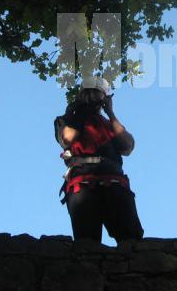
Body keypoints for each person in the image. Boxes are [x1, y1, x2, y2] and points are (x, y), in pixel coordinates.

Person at [54, 76, 143, 243]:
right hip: (82, 185)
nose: (93, 98)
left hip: (114, 182)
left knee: (131, 238)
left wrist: (111, 113)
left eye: (97, 94)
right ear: (81, 96)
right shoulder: (67, 120)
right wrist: (81, 112)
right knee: (87, 243)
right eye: (89, 94)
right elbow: (67, 139)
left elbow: (127, 146)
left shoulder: (109, 124)